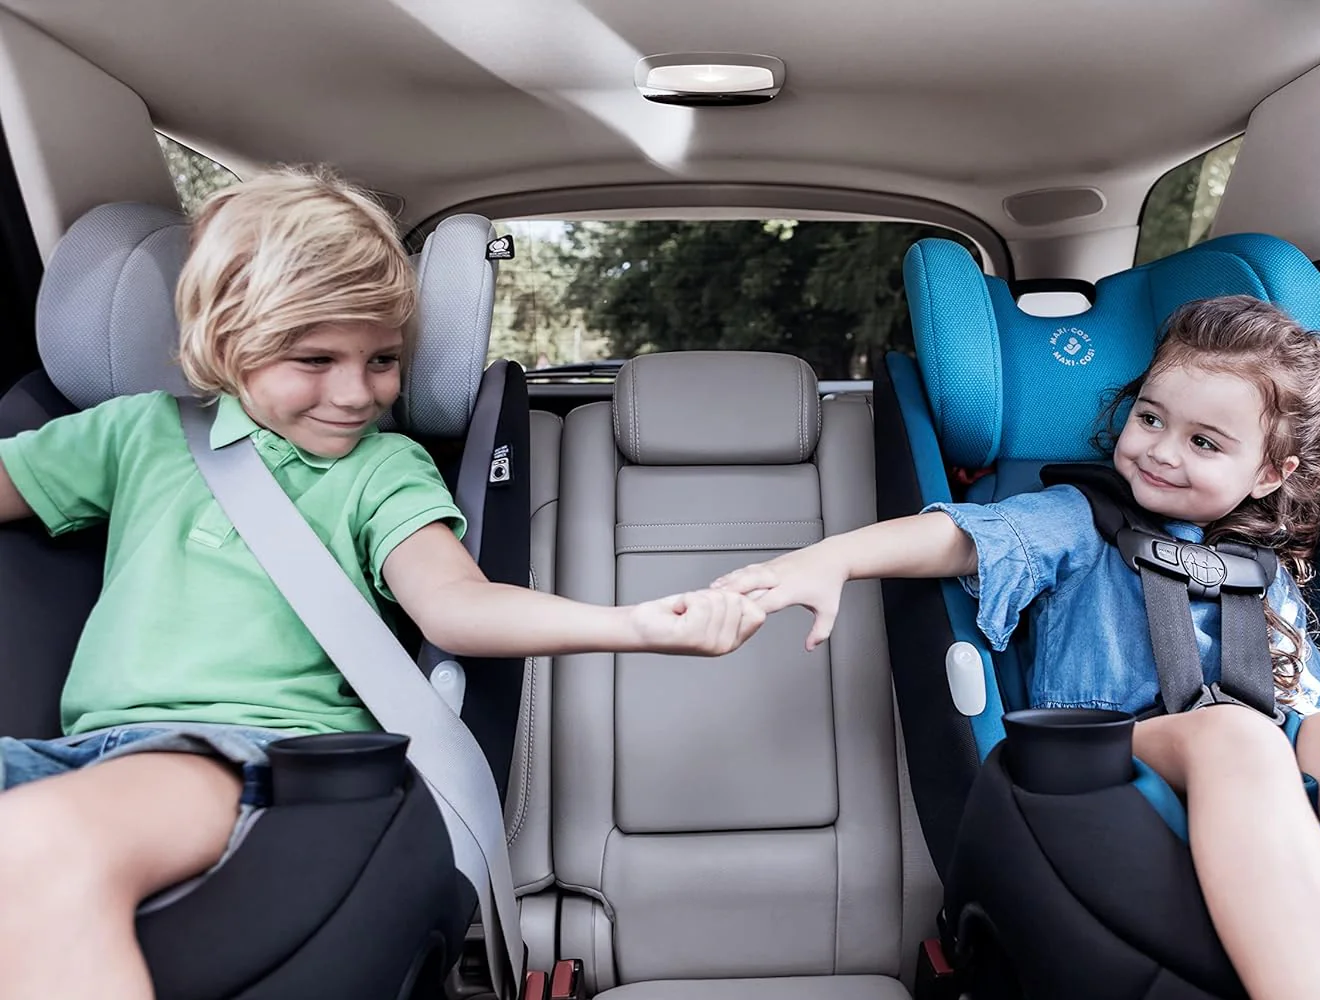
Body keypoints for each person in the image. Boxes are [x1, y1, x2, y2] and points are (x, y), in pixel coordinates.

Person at [0, 167, 765, 999]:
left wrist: (636, 626)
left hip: (237, 752)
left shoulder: (382, 469)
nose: (356, 393)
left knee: (42, 841)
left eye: (383, 360)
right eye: (315, 359)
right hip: (67, 754)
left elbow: (456, 604)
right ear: (225, 343)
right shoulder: (133, 434)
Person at [714, 295, 1320, 1000]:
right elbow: (958, 538)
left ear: (1269, 473)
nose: (1162, 450)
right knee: (1236, 735)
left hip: (1281, 747)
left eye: (1204, 442)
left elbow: (1309, 704)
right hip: (1117, 754)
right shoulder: (1078, 517)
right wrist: (828, 560)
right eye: (1151, 418)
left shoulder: (1260, 559)